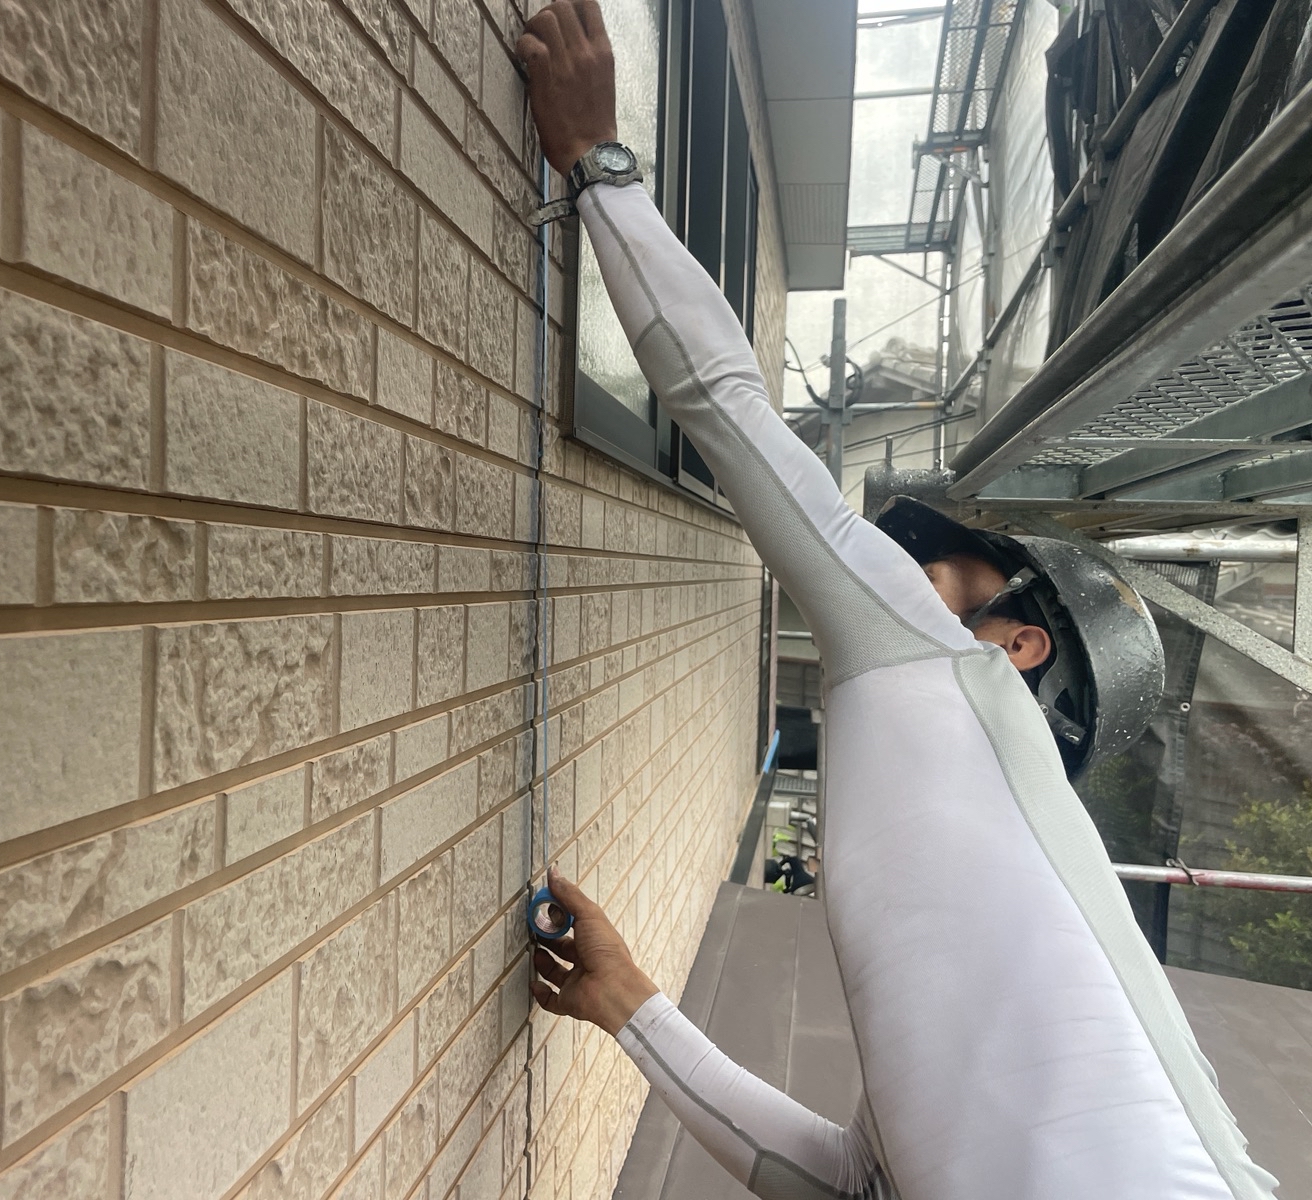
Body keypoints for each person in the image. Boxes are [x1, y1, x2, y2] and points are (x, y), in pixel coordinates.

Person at [515, 4, 1279, 1198]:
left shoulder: (956, 680)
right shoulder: (1020, 919)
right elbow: (836, 1177)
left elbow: (728, 409)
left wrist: (601, 168)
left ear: (1017, 645)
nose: (910, 565)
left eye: (962, 567)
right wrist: (631, 1006)